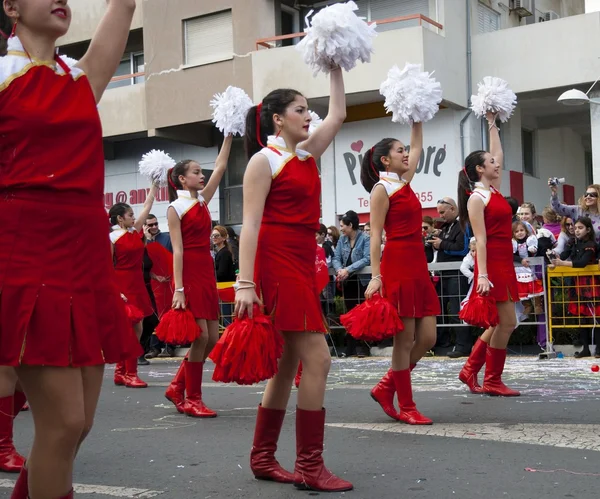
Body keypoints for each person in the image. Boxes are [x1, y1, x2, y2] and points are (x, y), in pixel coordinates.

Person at [0, 1, 140, 497]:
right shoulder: (2, 75)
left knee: (74, 429)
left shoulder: (79, 77)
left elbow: (123, 5)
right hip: (24, 252)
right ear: (11, 7)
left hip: (85, 257)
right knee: (62, 424)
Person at [235, 70, 353, 491]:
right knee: (317, 359)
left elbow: (337, 114)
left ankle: (263, 458)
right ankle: (309, 466)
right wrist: (244, 282)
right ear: (277, 119)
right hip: (276, 257)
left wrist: (336, 65)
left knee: (287, 364)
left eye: (308, 109)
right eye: (300, 109)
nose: (309, 116)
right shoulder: (262, 160)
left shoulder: (304, 155)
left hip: (303, 256)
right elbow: (248, 225)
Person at [361, 124, 440, 425]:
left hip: (417, 263)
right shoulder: (381, 190)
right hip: (396, 264)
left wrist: (417, 120)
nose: (406, 154)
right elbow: (375, 234)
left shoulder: (403, 180)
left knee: (428, 337)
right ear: (385, 160)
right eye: (399, 151)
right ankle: (406, 405)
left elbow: (417, 148)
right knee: (404, 340)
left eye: (404, 150)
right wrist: (376, 276)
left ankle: (386, 387)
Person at [163, 135, 232, 418]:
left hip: (206, 269)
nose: (202, 176)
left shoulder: (202, 200)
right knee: (200, 335)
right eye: (195, 172)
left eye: (201, 172)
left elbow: (221, 165)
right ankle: (192, 397)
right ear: (181, 179)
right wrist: (178, 288)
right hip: (188, 270)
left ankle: (177, 386)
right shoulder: (175, 208)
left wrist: (228, 133)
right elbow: (177, 251)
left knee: (213, 338)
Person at [457, 111, 520, 397]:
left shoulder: (492, 190)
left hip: (504, 259)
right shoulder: (477, 198)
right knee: (507, 322)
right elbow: (479, 239)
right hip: (492, 262)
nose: (497, 164)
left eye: (495, 162)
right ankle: (492, 379)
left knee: (500, 322)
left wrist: (493, 122)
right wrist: (482, 274)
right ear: (480, 170)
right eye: (491, 163)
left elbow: (497, 153)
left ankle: (471, 369)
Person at [109, 189, 157, 389]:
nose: (134, 217)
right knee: (132, 328)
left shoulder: (133, 232)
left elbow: (147, 207)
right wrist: (115, 290)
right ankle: (129, 373)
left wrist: (154, 183)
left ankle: (122, 372)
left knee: (136, 328)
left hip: (137, 283)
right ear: (120, 218)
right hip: (122, 284)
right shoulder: (112, 238)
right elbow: (106, 266)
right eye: (130, 215)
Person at [550, 217, 599, 358]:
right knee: (582, 316)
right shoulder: (573, 243)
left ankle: (599, 348)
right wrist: (554, 258)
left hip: (591, 283)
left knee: (596, 316)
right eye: (575, 227)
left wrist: (562, 263)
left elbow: (582, 262)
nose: (576, 230)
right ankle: (585, 349)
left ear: (588, 230)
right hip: (577, 283)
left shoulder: (591, 244)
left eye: (580, 228)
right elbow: (564, 255)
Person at [430, 197, 471, 357]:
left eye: (442, 212)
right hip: (444, 274)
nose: (440, 215)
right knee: (440, 310)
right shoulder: (448, 226)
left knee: (457, 311)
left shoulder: (463, 225)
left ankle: (463, 346)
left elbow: (463, 249)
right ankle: (444, 342)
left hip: (457, 274)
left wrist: (442, 244)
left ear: (453, 209)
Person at [332, 210, 371, 357]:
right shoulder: (342, 240)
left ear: (350, 225)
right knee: (350, 315)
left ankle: (363, 346)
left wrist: (348, 269)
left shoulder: (366, 238)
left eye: (342, 225)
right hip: (347, 282)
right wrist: (340, 270)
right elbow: (336, 257)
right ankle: (351, 346)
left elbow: (367, 259)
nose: (341, 228)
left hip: (362, 282)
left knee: (363, 313)